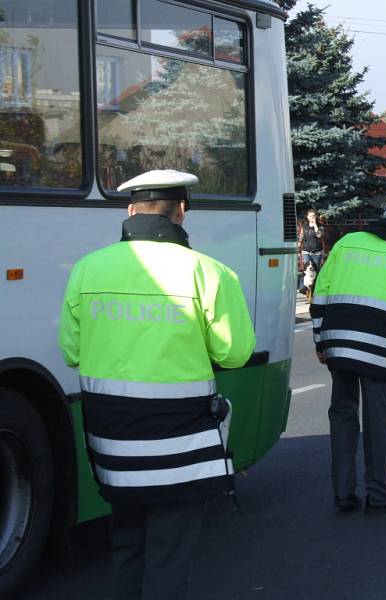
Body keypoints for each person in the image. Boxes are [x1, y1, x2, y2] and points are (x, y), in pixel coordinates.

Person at [58, 170, 256, 600]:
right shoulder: (210, 273)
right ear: (182, 210)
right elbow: (234, 354)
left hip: (113, 445)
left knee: (126, 541)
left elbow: (71, 351)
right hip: (179, 450)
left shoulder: (86, 271)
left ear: (130, 211)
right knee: (169, 554)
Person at [310, 208, 386, 514]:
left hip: (338, 344)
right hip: (378, 349)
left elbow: (320, 294)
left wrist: (320, 339)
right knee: (377, 422)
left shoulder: (346, 243)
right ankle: (377, 495)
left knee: (343, 415)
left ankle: (343, 493)